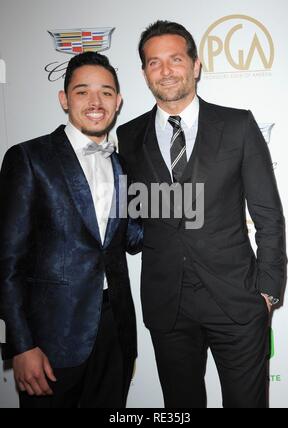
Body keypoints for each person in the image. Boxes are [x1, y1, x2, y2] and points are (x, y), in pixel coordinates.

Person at [117, 21, 286, 408]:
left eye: (175, 59)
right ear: (144, 73)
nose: (166, 70)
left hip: (238, 301)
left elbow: (268, 215)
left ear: (195, 65)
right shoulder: (128, 136)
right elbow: (133, 217)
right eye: (154, 62)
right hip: (167, 307)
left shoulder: (238, 125)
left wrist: (267, 291)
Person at [0, 52, 142, 408]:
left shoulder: (123, 165)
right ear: (64, 99)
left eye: (106, 92)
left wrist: (183, 194)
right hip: (50, 341)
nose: (96, 102)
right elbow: (7, 261)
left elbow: (134, 238)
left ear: (118, 101)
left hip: (115, 331)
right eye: (83, 92)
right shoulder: (29, 158)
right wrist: (21, 345)